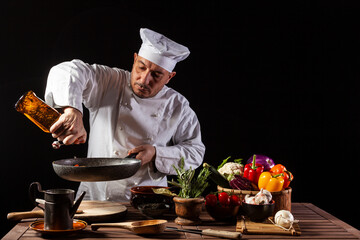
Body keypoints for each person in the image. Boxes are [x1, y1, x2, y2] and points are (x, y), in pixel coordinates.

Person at [45, 28, 205, 201]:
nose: (144, 79)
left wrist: (156, 154)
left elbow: (195, 152)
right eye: (141, 67)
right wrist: (72, 110)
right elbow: (67, 70)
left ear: (169, 77)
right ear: (135, 59)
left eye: (156, 75)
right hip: (96, 195)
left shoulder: (178, 105)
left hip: (147, 200)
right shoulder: (109, 81)